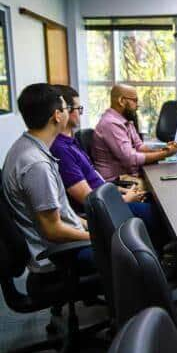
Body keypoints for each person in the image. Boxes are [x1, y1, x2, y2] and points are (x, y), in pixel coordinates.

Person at [49, 85, 167, 248]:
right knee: (156, 213)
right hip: (102, 207)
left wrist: (121, 192)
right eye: (78, 108)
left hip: (107, 194)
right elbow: (87, 199)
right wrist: (124, 199)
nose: (80, 113)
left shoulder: (71, 141)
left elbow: (95, 180)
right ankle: (156, 260)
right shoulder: (61, 149)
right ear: (62, 112)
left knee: (157, 205)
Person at [2, 83, 92, 272]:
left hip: (69, 242)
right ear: (57, 116)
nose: (69, 112)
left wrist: (96, 224)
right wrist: (96, 237)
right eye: (66, 108)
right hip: (60, 255)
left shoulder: (26, 146)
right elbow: (53, 230)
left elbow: (63, 215)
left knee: (121, 235)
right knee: (130, 252)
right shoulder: (36, 165)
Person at [92, 84, 177, 181]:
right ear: (121, 101)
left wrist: (164, 149)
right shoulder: (110, 123)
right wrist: (165, 154)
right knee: (162, 186)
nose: (138, 105)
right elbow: (130, 159)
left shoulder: (126, 121)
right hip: (116, 182)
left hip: (129, 176)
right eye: (135, 100)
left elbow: (139, 146)